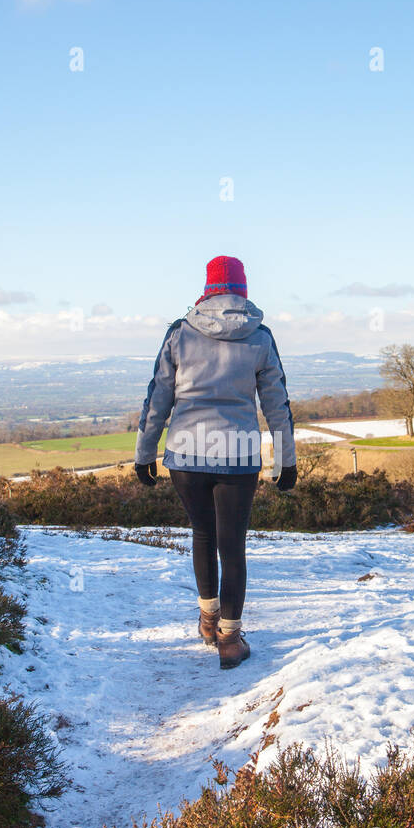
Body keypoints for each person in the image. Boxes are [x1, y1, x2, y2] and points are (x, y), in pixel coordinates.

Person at [134, 255, 297, 668]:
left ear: (207, 287)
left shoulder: (180, 334)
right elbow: (276, 403)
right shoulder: (260, 336)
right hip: (239, 456)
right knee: (233, 545)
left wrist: (144, 453)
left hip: (186, 455)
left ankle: (208, 620)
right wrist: (286, 459)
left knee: (203, 535)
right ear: (242, 288)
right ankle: (229, 639)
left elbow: (158, 399)